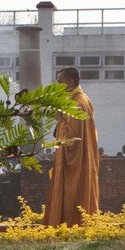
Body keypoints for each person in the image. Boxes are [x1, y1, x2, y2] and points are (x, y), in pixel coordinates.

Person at [44, 67, 100, 226]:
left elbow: (71, 140)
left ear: (70, 82)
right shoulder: (80, 100)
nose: (57, 87)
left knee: (73, 198)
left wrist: (60, 118)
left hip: (75, 165)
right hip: (81, 161)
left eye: (59, 82)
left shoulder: (77, 103)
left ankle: (69, 225)